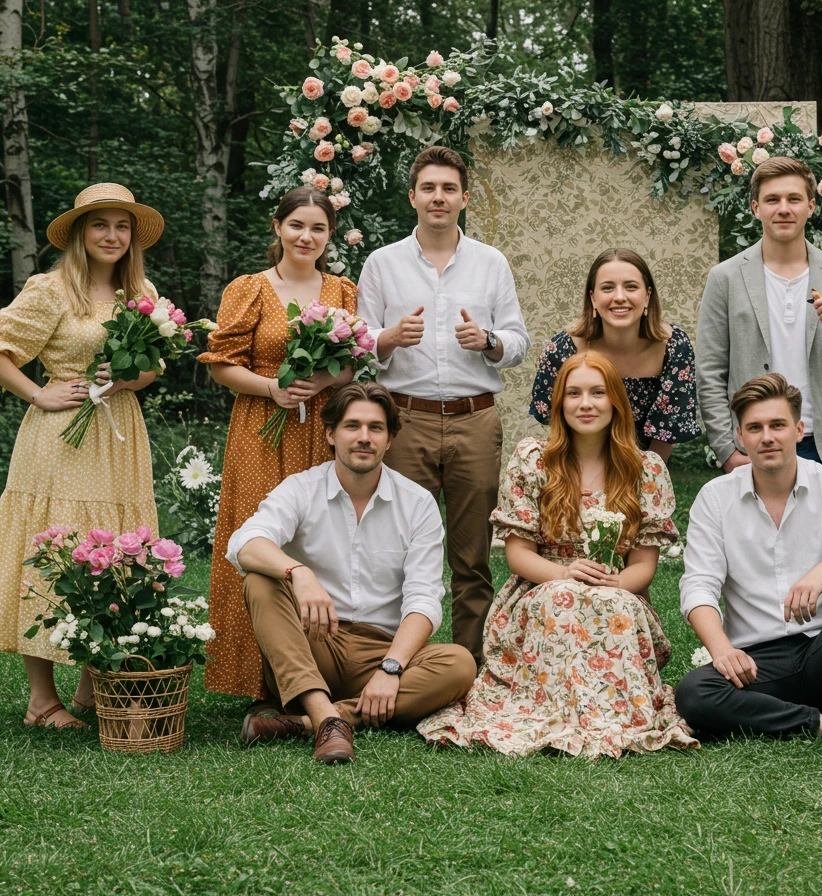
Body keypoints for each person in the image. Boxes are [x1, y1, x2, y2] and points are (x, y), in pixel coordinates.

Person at [418, 351, 697, 757]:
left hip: (616, 586)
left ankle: (616, 715)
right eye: (574, 394)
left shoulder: (644, 468)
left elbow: (644, 567)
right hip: (543, 585)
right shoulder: (535, 460)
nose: (586, 404)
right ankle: (547, 710)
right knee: (562, 599)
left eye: (598, 393)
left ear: (616, 401)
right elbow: (519, 556)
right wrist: (566, 575)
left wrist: (615, 583)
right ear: (559, 404)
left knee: (610, 603)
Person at [0, 183, 164, 729]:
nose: (112, 236)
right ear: (79, 233)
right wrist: (37, 392)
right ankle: (40, 699)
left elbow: (153, 367)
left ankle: (87, 688)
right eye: (100, 225)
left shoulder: (139, 292)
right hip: (59, 437)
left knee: (115, 553)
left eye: (122, 226)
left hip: (119, 430)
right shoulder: (52, 289)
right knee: (55, 550)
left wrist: (130, 377)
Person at [675, 374, 822, 774]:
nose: (767, 437)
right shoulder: (715, 498)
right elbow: (698, 584)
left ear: (799, 429)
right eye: (755, 428)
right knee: (693, 694)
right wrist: (722, 650)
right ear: (740, 437)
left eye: (778, 425)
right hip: (758, 665)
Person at [229, 382, 476, 764]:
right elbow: (245, 543)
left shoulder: (417, 503)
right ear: (330, 434)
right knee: (260, 579)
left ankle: (312, 722)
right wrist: (299, 573)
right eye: (352, 426)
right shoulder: (301, 488)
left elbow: (424, 598)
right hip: (313, 642)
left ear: (389, 440)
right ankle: (324, 712)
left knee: (460, 664)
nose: (364, 437)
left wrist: (391, 669)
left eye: (375, 428)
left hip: (380, 650)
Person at [359, 146, 530, 664]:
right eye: (429, 188)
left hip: (473, 419)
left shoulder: (490, 262)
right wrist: (388, 338)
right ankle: (386, 664)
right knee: (394, 548)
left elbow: (519, 340)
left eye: (449, 189)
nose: (439, 197)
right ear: (412, 196)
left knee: (471, 555)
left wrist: (489, 340)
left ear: (464, 198)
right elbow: (358, 341)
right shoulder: (382, 263)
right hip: (402, 420)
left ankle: (467, 667)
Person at [199, 187, 360, 700]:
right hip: (260, 428)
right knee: (259, 537)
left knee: (319, 536)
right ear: (277, 227)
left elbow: (354, 361)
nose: (306, 236)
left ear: (329, 236)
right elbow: (221, 364)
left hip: (320, 428)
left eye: (318, 228)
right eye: (297, 225)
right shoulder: (249, 287)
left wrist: (325, 381)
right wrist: (274, 387)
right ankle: (251, 677)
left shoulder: (342, 291)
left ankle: (317, 669)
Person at [696, 156, 822, 471]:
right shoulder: (725, 278)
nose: (784, 208)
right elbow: (709, 372)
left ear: (811, 206)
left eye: (794, 199)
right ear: (755, 208)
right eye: (772, 199)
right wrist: (726, 449)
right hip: (752, 443)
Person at [529, 248, 700, 461]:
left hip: (647, 464)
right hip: (578, 461)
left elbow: (668, 427)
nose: (619, 297)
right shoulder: (563, 349)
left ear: (647, 295)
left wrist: (645, 479)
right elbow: (554, 418)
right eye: (608, 288)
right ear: (593, 297)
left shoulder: (674, 346)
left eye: (630, 287)